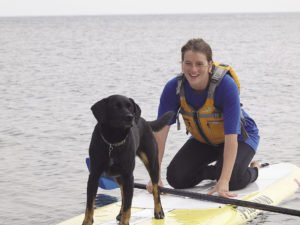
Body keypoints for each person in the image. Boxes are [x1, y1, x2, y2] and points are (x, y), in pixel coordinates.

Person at [147, 38, 260, 198]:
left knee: (232, 180)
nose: (193, 69)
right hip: (206, 140)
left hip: (241, 138)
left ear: (210, 65)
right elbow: (159, 135)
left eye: (199, 64)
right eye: (188, 63)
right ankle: (216, 171)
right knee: (176, 178)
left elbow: (231, 137)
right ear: (182, 64)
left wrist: (224, 181)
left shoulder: (226, 87)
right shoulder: (173, 88)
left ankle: (254, 169)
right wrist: (154, 176)